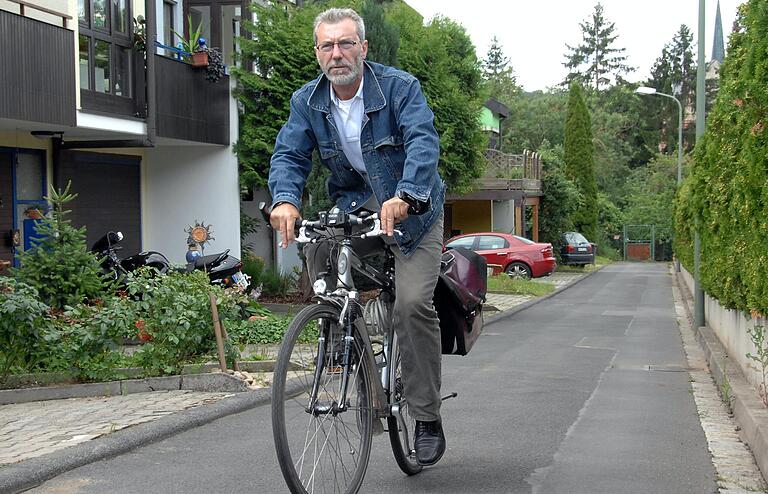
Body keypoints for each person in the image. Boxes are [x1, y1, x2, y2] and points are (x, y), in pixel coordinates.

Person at [267, 7, 446, 466]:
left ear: (363, 48)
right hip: (355, 206)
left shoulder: (399, 87)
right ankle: (345, 334)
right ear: (317, 53)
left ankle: (425, 417)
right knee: (321, 250)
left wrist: (407, 193)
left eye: (346, 43)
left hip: (413, 214)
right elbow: (289, 153)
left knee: (410, 304)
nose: (337, 54)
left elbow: (423, 142)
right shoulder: (307, 101)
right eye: (327, 46)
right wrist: (285, 199)